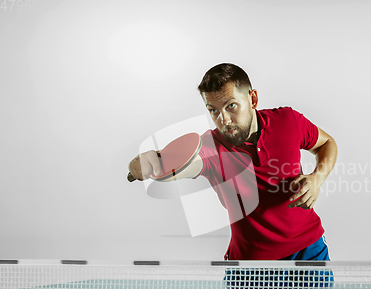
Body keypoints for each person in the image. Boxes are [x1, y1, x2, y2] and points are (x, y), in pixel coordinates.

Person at [128, 63, 338, 261]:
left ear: (253, 99)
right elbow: (184, 165)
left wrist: (317, 178)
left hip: (309, 250)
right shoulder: (210, 146)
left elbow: (326, 143)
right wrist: (152, 163)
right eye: (213, 110)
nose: (224, 119)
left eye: (231, 106)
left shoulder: (288, 121)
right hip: (250, 266)